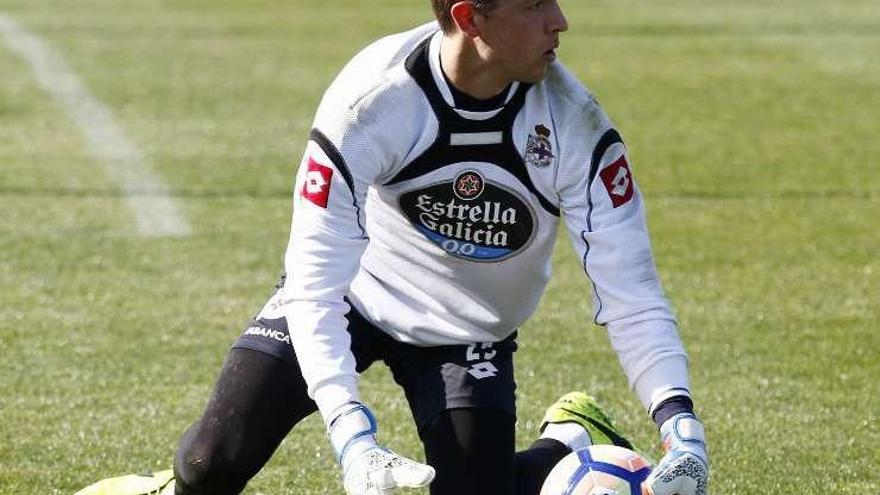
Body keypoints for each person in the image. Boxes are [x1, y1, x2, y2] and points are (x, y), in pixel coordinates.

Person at [108, 1, 711, 494]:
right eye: (534, 5)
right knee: (211, 461)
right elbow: (314, 282)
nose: (560, 20)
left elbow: (631, 292)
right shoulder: (372, 102)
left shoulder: (577, 127)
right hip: (355, 297)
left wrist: (678, 422)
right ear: (471, 17)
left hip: (468, 332)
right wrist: (352, 435)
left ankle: (569, 438)